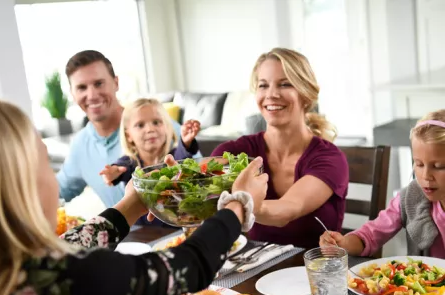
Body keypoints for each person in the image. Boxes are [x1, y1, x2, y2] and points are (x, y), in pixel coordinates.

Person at [0, 98, 268, 295]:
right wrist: (239, 205)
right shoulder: (62, 280)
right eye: (47, 165)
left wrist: (131, 205)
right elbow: (190, 266)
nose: (53, 181)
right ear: (19, 188)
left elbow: (75, 242)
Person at [211, 48, 349, 248]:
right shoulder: (234, 151)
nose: (271, 94)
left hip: (313, 271)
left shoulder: (330, 158)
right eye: (263, 85)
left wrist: (237, 207)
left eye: (285, 84)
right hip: (252, 270)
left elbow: (287, 210)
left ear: (306, 94)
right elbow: (199, 181)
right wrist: (170, 186)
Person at [57, 50, 184, 208]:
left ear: (116, 83)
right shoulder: (80, 145)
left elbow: (200, 178)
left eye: (99, 83)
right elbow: (57, 192)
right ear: (73, 94)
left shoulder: (160, 128)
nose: (92, 95)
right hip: (124, 233)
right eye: (82, 87)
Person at [320, 110, 445, 259]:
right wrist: (343, 243)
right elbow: (371, 234)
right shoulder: (410, 198)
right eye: (419, 164)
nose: (426, 176)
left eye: (438, 166)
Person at [99, 98, 201, 226]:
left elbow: (180, 159)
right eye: (140, 125)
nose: (149, 129)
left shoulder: (173, 156)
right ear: (129, 136)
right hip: (144, 231)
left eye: (156, 122)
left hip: (175, 227)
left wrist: (185, 142)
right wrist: (113, 172)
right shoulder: (131, 162)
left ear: (166, 127)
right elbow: (120, 167)